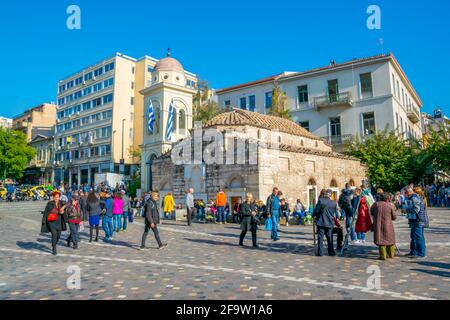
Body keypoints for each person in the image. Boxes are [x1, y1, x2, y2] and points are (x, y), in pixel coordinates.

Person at [370, 192, 397, 260]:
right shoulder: (390, 205)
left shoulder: (375, 204)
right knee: (389, 239)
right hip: (388, 224)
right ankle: (391, 254)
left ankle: (383, 255)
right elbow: (394, 217)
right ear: (388, 198)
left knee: (380, 239)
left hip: (378, 224)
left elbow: (371, 212)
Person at [404, 187, 429, 259]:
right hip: (414, 219)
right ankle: (413, 252)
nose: (405, 195)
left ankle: (421, 254)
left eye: (405, 193)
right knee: (413, 236)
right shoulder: (413, 197)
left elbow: (416, 209)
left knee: (418, 237)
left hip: (418, 220)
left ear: (408, 192)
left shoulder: (414, 197)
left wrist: (406, 210)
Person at [41, 191, 67, 255]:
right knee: (54, 234)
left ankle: (54, 243)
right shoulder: (50, 203)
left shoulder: (61, 202)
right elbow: (50, 211)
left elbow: (68, 204)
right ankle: (54, 248)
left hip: (59, 221)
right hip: (51, 222)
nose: (56, 198)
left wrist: (64, 208)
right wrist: (59, 211)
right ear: (53, 197)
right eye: (55, 197)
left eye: (57, 197)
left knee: (59, 235)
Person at [313, 189, 336, 257]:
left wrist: (313, 215)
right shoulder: (334, 203)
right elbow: (334, 213)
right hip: (329, 222)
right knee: (330, 238)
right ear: (330, 195)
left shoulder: (321, 201)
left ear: (326, 194)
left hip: (321, 222)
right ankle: (331, 252)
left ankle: (320, 253)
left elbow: (316, 211)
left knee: (320, 238)